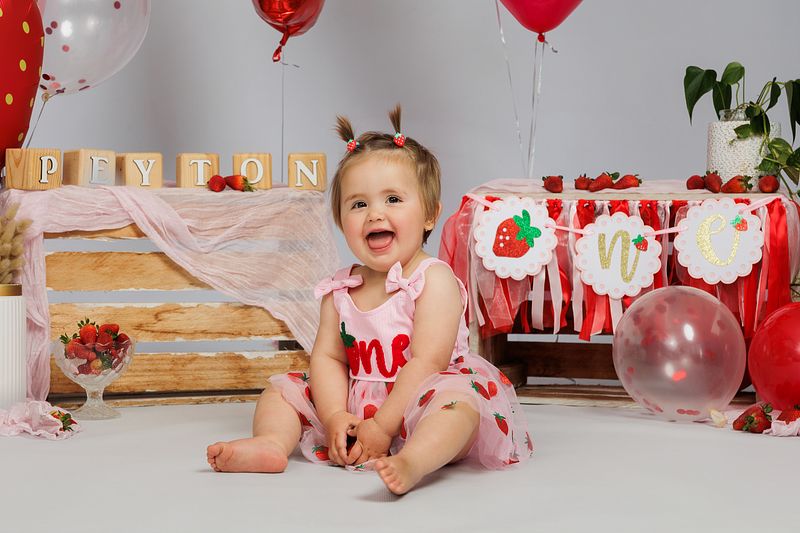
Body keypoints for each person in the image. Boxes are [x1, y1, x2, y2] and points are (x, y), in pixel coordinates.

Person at [207, 105, 532, 494]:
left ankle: (415, 460)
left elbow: (428, 361)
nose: (375, 213)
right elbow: (328, 358)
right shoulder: (339, 290)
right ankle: (272, 444)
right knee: (281, 391)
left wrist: (383, 426)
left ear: (430, 215)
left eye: (393, 199)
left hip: (419, 399)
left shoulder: (433, 280)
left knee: (459, 409)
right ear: (342, 221)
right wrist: (333, 416)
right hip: (356, 402)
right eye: (358, 204)